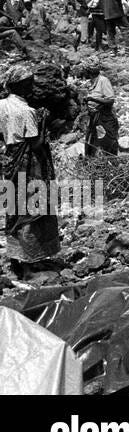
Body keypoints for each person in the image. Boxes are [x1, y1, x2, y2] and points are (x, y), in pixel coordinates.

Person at [0, 64, 59, 276]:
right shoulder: (27, 111)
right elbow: (35, 143)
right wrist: (43, 122)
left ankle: (17, 258)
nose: (33, 87)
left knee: (15, 207)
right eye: (30, 84)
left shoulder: (2, 105)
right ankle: (30, 262)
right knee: (33, 209)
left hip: (10, 160)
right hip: (30, 163)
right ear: (23, 86)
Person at [83, 59, 119, 157]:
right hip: (94, 118)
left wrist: (93, 99)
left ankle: (110, 166)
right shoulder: (90, 83)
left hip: (105, 118)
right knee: (92, 144)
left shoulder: (103, 80)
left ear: (89, 71)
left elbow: (110, 100)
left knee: (106, 143)